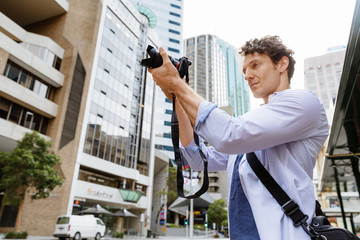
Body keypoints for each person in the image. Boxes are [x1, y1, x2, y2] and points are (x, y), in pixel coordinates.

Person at [148, 35, 329, 240]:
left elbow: (229, 134)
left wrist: (176, 83)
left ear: (282, 63)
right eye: (244, 70)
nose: (247, 75)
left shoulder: (304, 103)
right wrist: (177, 96)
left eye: (255, 65)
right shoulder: (252, 129)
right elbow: (197, 160)